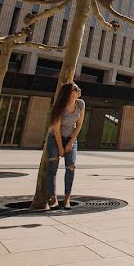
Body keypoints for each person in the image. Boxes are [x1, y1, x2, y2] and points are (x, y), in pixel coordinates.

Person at [45, 82, 85, 210]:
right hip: (55, 139)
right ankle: (53, 198)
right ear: (69, 92)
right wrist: (61, 148)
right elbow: (56, 130)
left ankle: (67, 199)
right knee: (52, 168)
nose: (78, 90)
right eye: (75, 89)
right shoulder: (59, 107)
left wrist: (70, 142)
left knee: (71, 167)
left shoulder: (80, 104)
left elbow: (79, 125)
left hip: (71, 138)